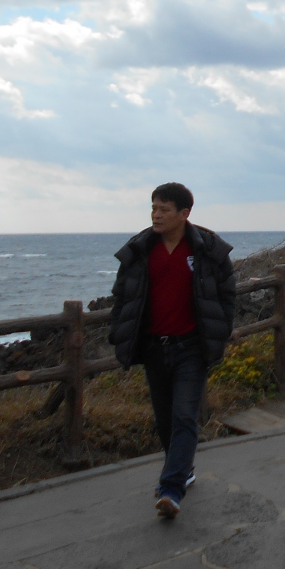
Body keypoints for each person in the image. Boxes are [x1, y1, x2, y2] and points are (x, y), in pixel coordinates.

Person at [109, 183, 236, 520]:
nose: (156, 215)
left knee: (183, 416)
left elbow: (226, 293)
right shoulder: (139, 249)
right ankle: (183, 469)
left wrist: (220, 330)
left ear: (184, 213)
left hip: (190, 347)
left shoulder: (207, 249)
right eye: (153, 208)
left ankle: (171, 488)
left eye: (164, 209)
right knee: (165, 420)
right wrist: (119, 331)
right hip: (154, 347)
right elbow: (123, 294)